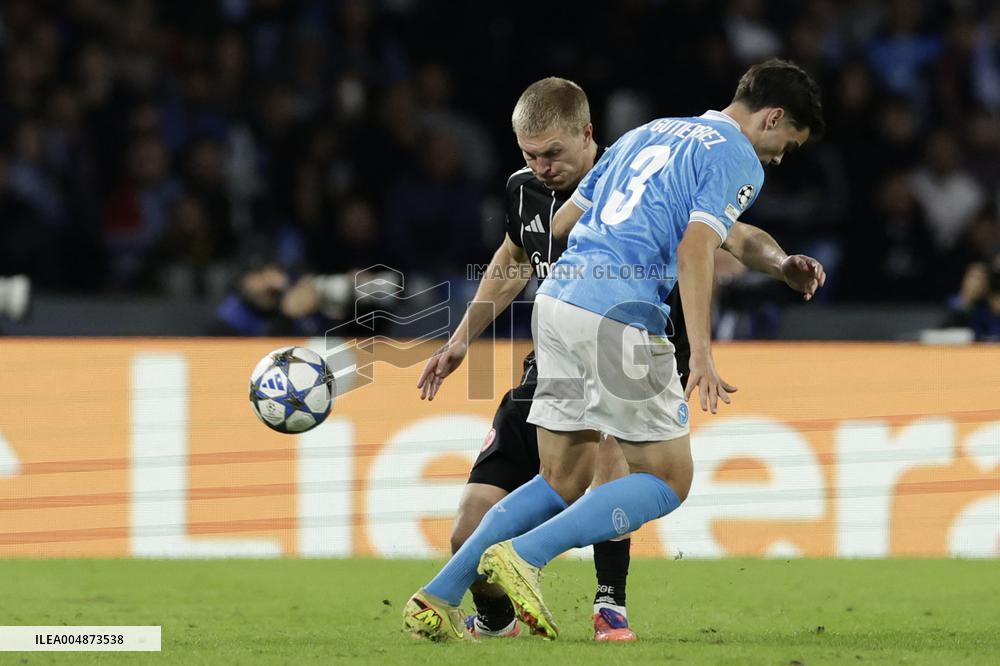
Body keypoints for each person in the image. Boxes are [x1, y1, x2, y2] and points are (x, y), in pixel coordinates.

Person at [403, 66, 827, 641]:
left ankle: (440, 593)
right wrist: (702, 352)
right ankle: (524, 556)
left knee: (562, 477)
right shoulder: (735, 155)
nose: (778, 158)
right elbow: (697, 247)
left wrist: (771, 260)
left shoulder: (646, 133)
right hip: (620, 315)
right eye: (788, 144)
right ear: (773, 117)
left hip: (556, 306)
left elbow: (559, 225)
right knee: (668, 479)